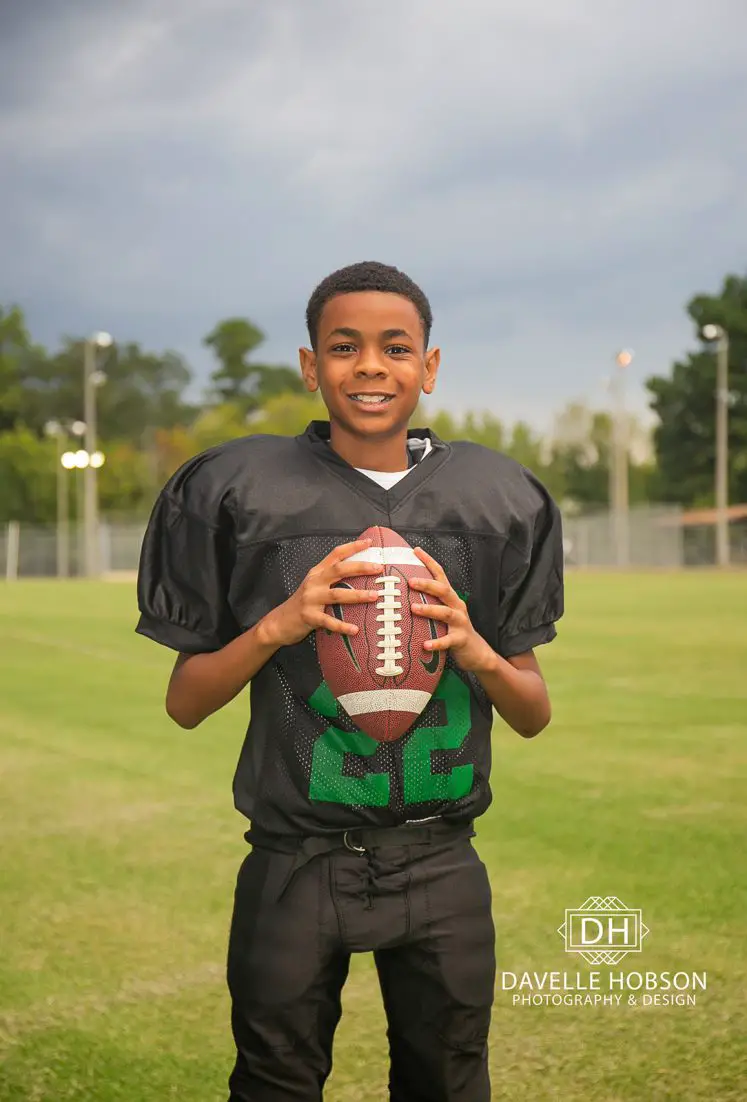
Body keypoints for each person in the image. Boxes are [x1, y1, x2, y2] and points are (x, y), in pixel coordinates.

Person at [136, 260, 564, 1102]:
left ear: (429, 367)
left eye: (395, 347)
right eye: (344, 347)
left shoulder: (496, 497)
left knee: (448, 1081)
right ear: (310, 366)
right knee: (275, 1083)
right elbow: (185, 704)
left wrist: (477, 651)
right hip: (295, 862)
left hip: (442, 861)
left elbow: (534, 713)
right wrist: (277, 626)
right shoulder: (238, 490)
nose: (370, 366)